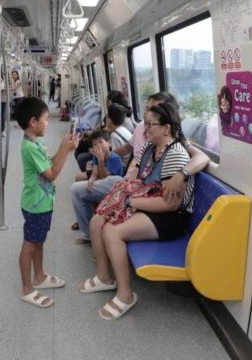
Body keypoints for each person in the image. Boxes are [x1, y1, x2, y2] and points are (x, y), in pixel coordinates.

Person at [79, 102, 195, 321]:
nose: (145, 128)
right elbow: (135, 175)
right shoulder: (150, 148)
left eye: (150, 124)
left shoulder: (175, 155)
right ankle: (104, 277)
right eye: (145, 123)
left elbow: (171, 204)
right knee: (96, 221)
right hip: (144, 202)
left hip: (168, 217)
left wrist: (131, 201)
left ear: (166, 129)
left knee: (112, 231)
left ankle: (125, 295)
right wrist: (128, 193)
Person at [70, 92, 209, 234]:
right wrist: (105, 157)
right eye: (147, 108)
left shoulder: (173, 140)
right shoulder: (141, 127)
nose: (148, 113)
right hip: (130, 181)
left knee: (80, 191)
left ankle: (92, 227)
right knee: (98, 211)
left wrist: (181, 174)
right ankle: (92, 223)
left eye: (154, 109)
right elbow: (126, 148)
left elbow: (202, 157)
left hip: (141, 187)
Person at [15, 97, 79, 308]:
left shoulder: (37, 142)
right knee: (30, 244)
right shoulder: (30, 148)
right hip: (35, 204)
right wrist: (67, 150)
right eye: (45, 119)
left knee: (38, 240)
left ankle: (39, 275)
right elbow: (51, 174)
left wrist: (62, 146)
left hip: (42, 203)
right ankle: (26, 288)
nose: (48, 122)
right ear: (33, 122)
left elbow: (48, 163)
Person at [71, 129, 123, 244]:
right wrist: (91, 180)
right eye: (95, 144)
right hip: (101, 184)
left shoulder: (115, 159)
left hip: (114, 190)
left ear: (108, 143)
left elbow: (105, 178)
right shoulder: (96, 157)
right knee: (82, 188)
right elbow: (95, 173)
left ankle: (89, 233)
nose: (98, 146)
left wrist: (100, 160)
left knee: (78, 190)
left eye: (101, 142)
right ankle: (88, 232)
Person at [105, 103, 133, 170]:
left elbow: (115, 158)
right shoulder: (123, 129)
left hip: (122, 168)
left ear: (109, 120)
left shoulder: (115, 135)